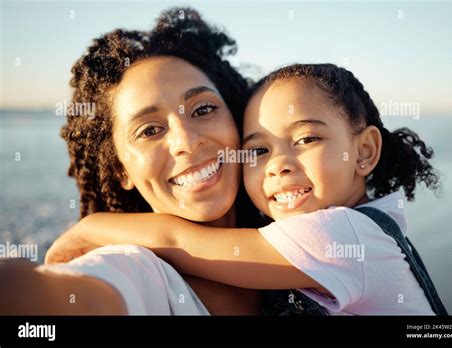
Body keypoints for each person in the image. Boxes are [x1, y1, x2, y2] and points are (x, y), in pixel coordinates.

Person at [48, 64, 448, 315]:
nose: (278, 164)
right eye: (257, 149)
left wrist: (89, 228)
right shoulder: (366, 230)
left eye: (307, 139)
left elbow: (179, 240)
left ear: (365, 150)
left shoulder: (343, 235)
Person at [0, 7, 262, 315]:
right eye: (149, 130)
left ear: (235, 116)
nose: (186, 142)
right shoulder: (135, 270)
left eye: (203, 110)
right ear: (120, 170)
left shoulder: (298, 219)